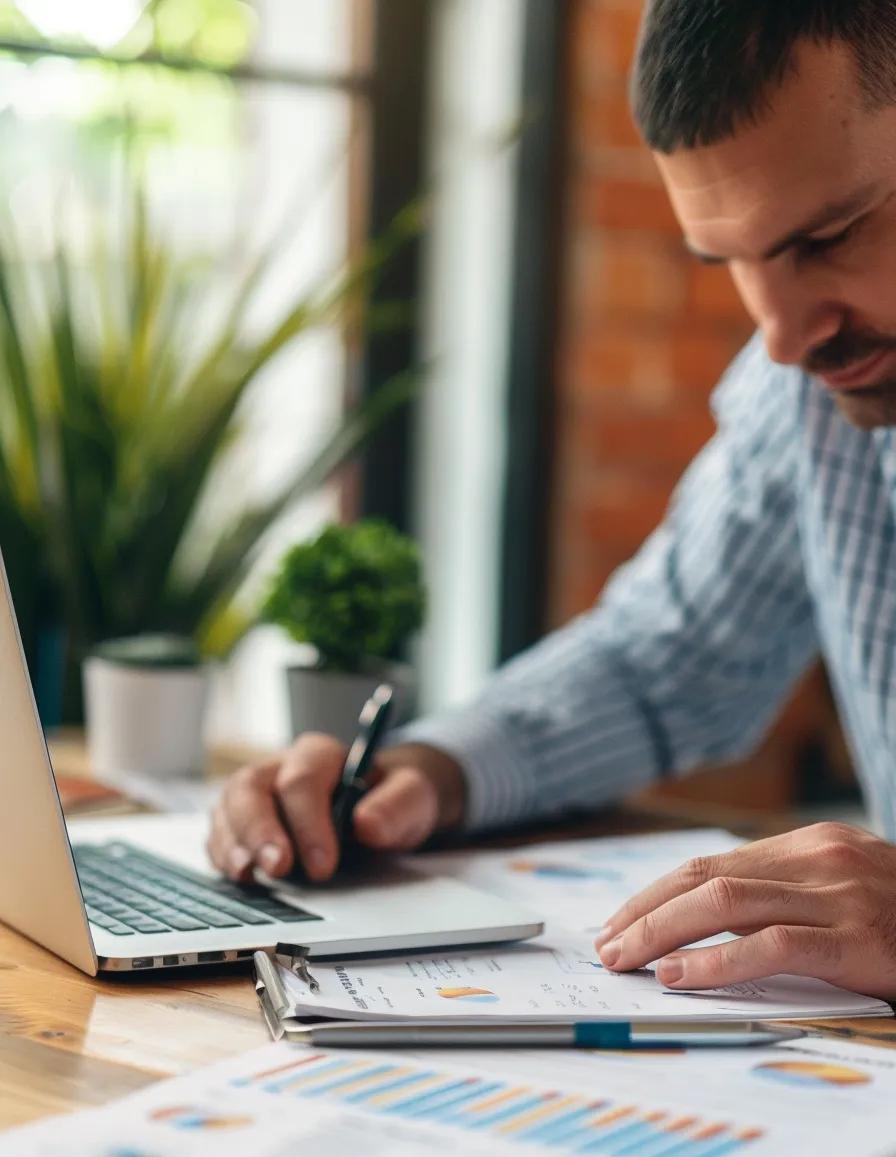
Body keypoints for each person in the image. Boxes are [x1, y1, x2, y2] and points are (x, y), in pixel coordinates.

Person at [209, 1, 896, 1003]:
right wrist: (429, 772)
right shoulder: (809, 386)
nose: (783, 338)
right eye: (733, 264)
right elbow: (666, 654)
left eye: (827, 235)